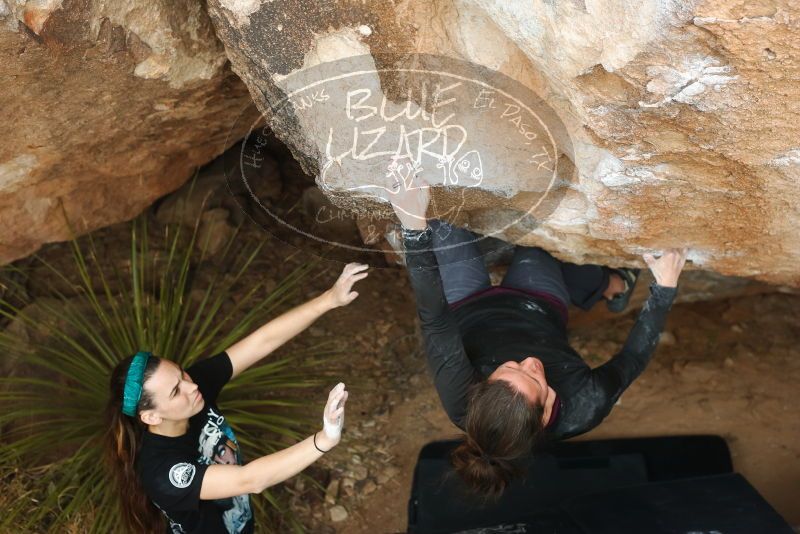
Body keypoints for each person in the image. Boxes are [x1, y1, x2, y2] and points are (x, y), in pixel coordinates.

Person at [388, 179, 688, 499]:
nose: (529, 361)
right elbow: (632, 359)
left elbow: (434, 319)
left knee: (443, 222)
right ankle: (613, 286)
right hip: (537, 309)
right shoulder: (585, 403)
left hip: (469, 309)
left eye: (509, 367)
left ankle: (603, 285)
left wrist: (412, 226)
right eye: (535, 377)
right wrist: (665, 289)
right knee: (539, 238)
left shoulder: (462, 399)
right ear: (545, 413)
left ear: (480, 387)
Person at [104, 263, 368, 533]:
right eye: (175, 391)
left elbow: (260, 342)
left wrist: (329, 299)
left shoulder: (194, 390)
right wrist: (325, 438)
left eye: (182, 373)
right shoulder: (163, 472)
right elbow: (249, 480)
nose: (191, 386)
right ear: (151, 416)